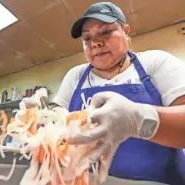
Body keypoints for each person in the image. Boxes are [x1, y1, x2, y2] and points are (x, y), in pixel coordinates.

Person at [23, 2, 185, 185]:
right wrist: (42, 122)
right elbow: (58, 131)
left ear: (126, 31)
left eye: (105, 32)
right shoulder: (75, 76)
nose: (95, 43)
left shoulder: (156, 63)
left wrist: (139, 120)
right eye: (87, 38)